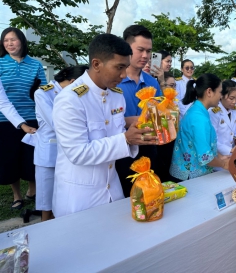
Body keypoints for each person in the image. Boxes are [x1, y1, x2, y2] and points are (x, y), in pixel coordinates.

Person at [52, 34, 157, 217]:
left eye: (125, 67)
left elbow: (113, 133)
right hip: (80, 197)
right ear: (96, 64)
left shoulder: (116, 95)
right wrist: (126, 139)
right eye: (119, 67)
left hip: (112, 190)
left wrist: (135, 133)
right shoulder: (70, 99)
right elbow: (78, 152)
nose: (123, 75)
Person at [0, 27, 47, 210]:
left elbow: (44, 92)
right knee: (8, 158)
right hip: (3, 119)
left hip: (30, 116)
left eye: (13, 40)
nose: (9, 43)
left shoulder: (35, 65)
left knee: (31, 157)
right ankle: (17, 195)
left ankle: (33, 191)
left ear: (22, 41)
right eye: (5, 40)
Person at [31, 65, 88, 221]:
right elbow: (56, 123)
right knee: (47, 202)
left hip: (69, 155)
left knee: (63, 199)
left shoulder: (78, 94)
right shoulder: (43, 93)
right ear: (73, 81)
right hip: (49, 153)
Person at [115, 25, 162, 197]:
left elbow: (160, 111)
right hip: (121, 148)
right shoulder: (114, 81)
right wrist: (131, 120)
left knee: (149, 194)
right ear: (127, 48)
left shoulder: (152, 82)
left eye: (148, 51)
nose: (145, 56)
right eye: (140, 50)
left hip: (149, 147)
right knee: (125, 197)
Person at [169, 73, 229, 180]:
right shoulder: (199, 117)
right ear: (209, 92)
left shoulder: (198, 110)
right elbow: (205, 157)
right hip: (189, 177)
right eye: (220, 92)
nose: (221, 96)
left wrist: (221, 157)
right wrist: (224, 164)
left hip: (187, 173)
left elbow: (203, 144)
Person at [209, 80, 236, 159]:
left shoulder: (234, 110)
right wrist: (230, 150)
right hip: (218, 156)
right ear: (221, 95)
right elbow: (211, 139)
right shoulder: (213, 112)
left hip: (232, 154)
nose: (234, 101)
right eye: (231, 98)